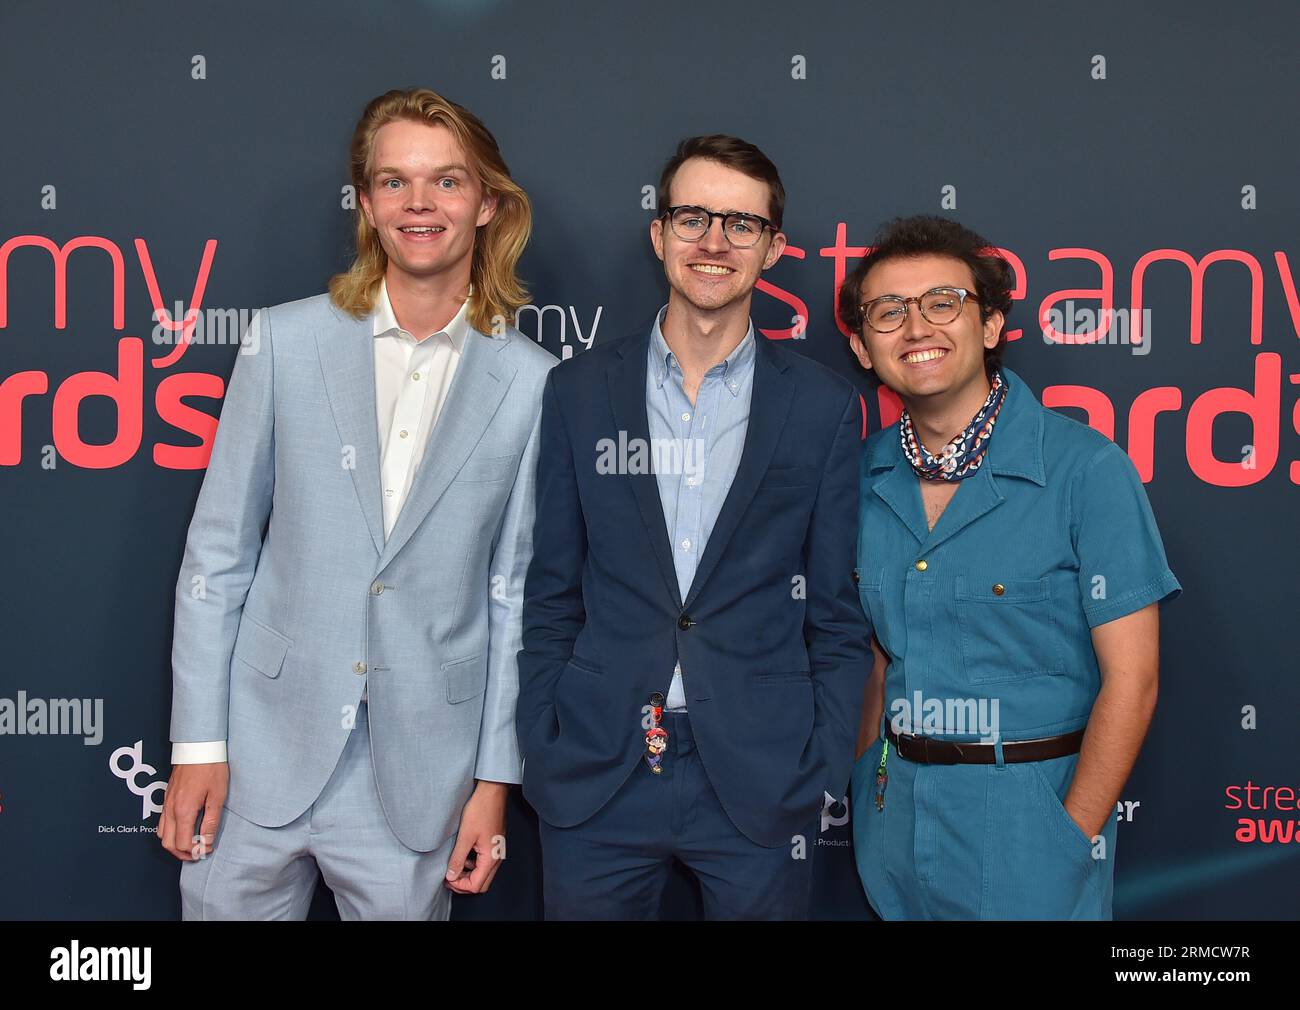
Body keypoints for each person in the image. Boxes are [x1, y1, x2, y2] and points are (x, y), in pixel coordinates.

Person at [159, 87, 555, 920]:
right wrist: (198, 746)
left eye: (447, 182)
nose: (420, 204)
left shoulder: (534, 383)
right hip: (256, 755)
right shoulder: (284, 340)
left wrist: (493, 782)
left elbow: (514, 596)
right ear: (367, 202)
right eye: (393, 181)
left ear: (486, 204)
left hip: (419, 779)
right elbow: (218, 557)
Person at [517, 135, 872, 920]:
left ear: (774, 248)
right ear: (659, 234)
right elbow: (551, 592)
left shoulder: (821, 407)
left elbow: (837, 618)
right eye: (692, 217)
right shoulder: (578, 391)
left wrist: (819, 768)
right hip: (598, 771)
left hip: (758, 776)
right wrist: (545, 740)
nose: (714, 242)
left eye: (741, 224)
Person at [842, 215, 1180, 919]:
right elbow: (877, 659)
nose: (916, 327)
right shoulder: (860, 479)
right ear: (862, 345)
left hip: (1032, 829)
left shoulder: (1085, 470)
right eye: (889, 311)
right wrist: (865, 779)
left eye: (943, 302)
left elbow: (1134, 679)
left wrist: (1069, 837)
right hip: (896, 826)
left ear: (991, 324)